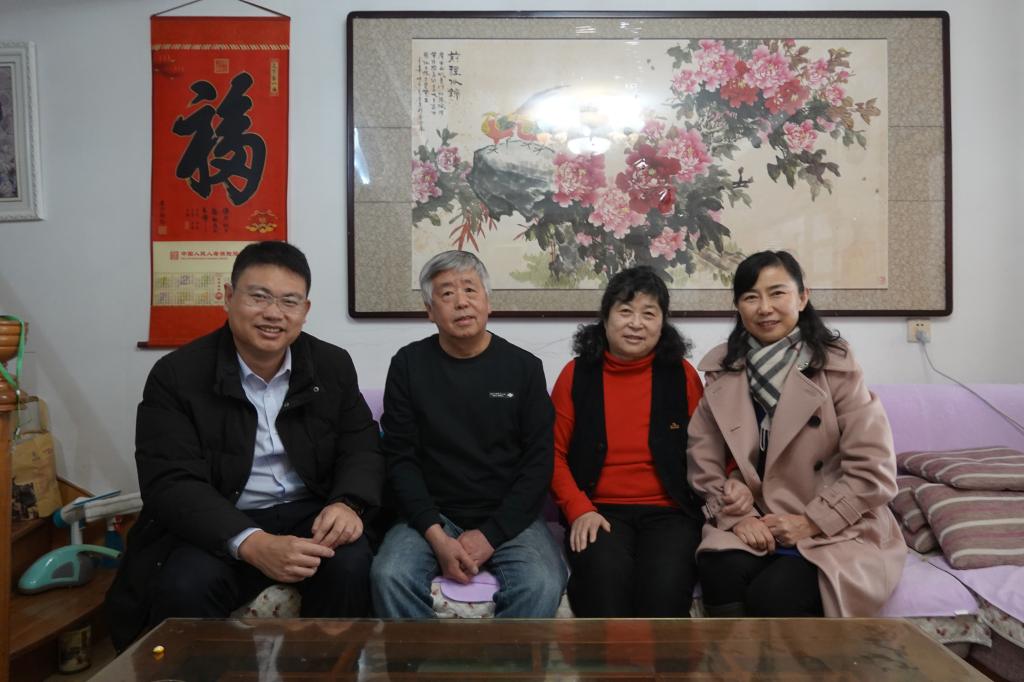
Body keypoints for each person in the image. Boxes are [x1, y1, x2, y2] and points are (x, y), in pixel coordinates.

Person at [106, 241, 384, 650]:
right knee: (184, 585)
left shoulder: (331, 364)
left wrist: (348, 503)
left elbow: (361, 445)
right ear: (228, 297)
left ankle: (323, 672)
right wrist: (251, 542)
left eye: (289, 301)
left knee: (350, 564)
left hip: (310, 512)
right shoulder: (177, 375)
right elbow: (170, 481)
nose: (274, 313)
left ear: (305, 310)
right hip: (222, 517)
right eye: (259, 297)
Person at [686, 250, 905, 617]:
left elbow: (874, 470)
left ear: (803, 297)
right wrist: (736, 515)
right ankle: (730, 658)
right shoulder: (724, 371)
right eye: (751, 297)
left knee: (773, 595)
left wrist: (811, 521)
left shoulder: (837, 368)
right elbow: (702, 459)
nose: (765, 308)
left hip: (836, 524)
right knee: (718, 567)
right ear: (737, 306)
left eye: (777, 293)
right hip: (758, 518)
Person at [370, 250, 566, 618]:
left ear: (488, 302)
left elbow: (538, 463)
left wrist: (491, 534)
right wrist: (436, 535)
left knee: (541, 582)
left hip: (508, 515)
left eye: (470, 290)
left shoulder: (523, 368)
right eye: (446, 293)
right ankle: (423, 656)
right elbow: (400, 459)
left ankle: (503, 658)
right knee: (389, 576)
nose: (461, 302)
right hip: (431, 515)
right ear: (430, 311)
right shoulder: (408, 365)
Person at [550, 265, 705, 617]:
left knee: (665, 588)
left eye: (649, 314)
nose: (636, 323)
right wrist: (578, 509)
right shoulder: (576, 375)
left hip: (670, 512)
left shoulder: (681, 374)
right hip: (598, 510)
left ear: (662, 324)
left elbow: (709, 448)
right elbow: (552, 454)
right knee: (603, 582)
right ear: (605, 318)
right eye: (625, 311)